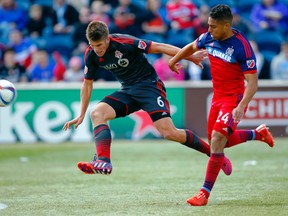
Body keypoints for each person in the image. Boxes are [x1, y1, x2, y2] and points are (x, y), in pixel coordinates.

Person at [63, 20, 233, 179]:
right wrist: (81, 114)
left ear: (107, 38)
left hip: (149, 87)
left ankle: (214, 154)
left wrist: (189, 56)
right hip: (128, 91)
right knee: (97, 113)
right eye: (92, 45)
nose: (97, 49)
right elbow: (87, 85)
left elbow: (158, 47)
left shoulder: (125, 42)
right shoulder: (91, 55)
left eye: (99, 45)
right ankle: (103, 161)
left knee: (169, 133)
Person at [168, 4, 275, 206]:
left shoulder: (242, 46)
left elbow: (253, 83)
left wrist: (242, 106)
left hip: (233, 99)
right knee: (220, 143)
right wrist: (173, 61)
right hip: (217, 97)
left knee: (217, 140)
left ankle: (204, 193)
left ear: (226, 26)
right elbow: (191, 47)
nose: (209, 30)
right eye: (208, 25)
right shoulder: (209, 37)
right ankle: (257, 134)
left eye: (213, 27)